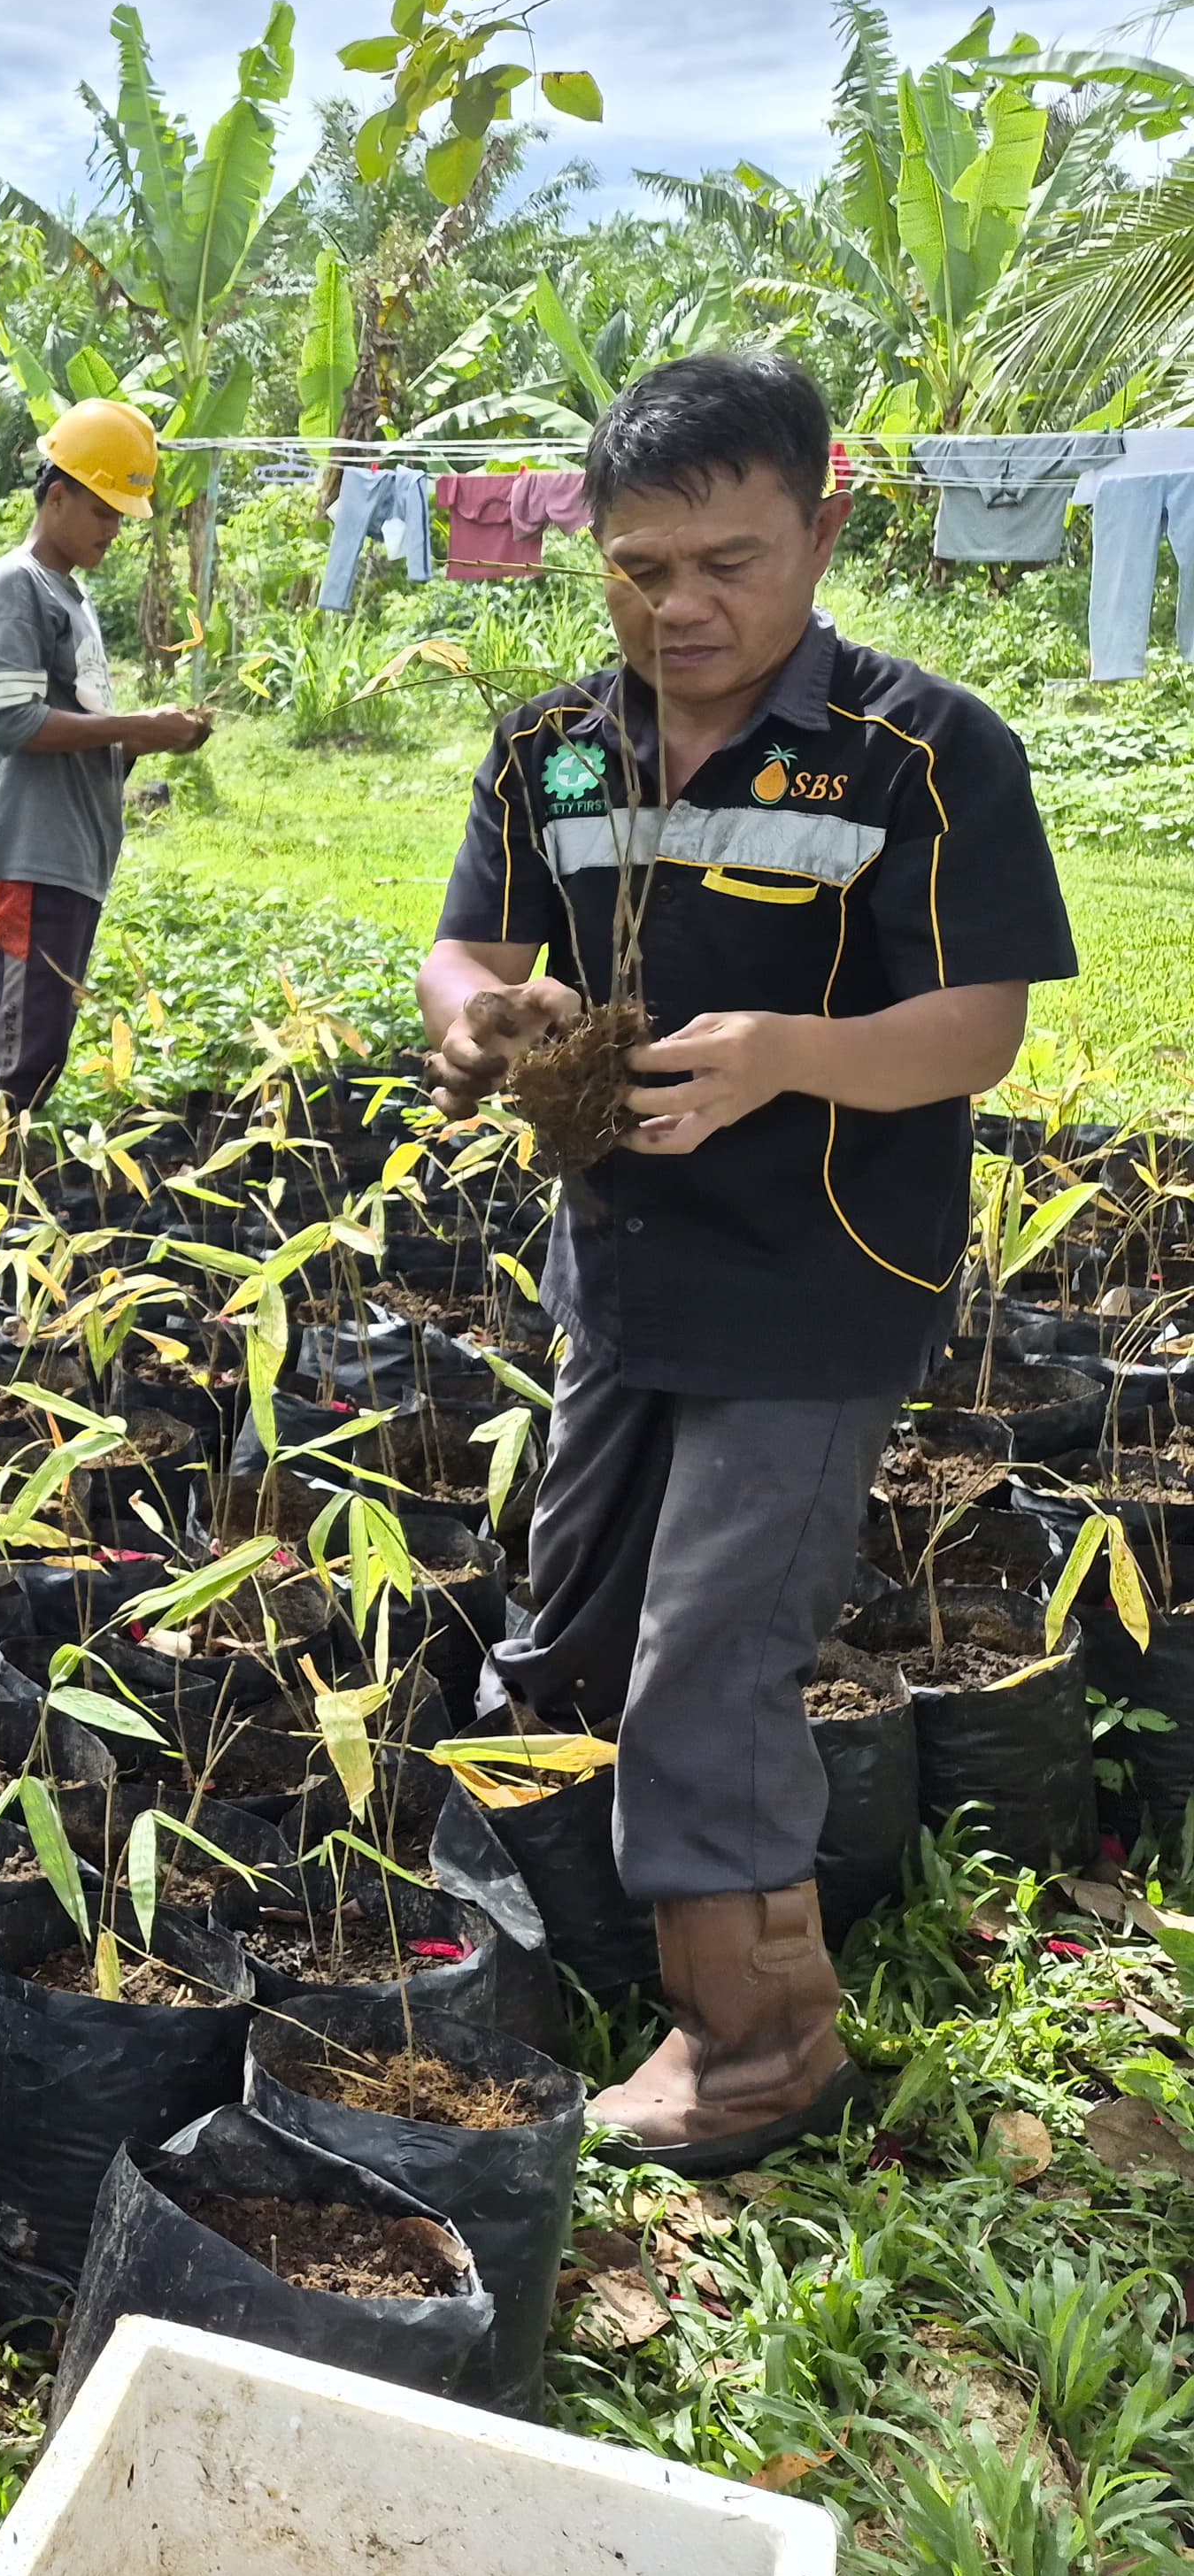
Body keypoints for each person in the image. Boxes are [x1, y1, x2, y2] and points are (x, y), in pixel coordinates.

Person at [422, 353, 1076, 2174]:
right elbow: (465, 949)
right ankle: (613, 1939)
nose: (678, 607)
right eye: (638, 569)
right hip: (619, 1270)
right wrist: (489, 1018)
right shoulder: (554, 743)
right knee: (575, 1614)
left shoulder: (918, 750)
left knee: (711, 1657)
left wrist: (782, 1052)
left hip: (812, 1283)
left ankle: (752, 2052)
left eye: (726, 561)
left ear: (824, 519)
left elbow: (969, 1030)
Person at [0, 395, 213, 1139]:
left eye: (121, 516)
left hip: (71, 856)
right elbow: (14, 723)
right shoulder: (16, 587)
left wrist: (146, 740)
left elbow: (80, 730)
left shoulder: (72, 595)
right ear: (57, 495)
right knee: (17, 1058)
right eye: (104, 512)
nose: (114, 529)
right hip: (33, 857)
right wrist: (136, 724)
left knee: (39, 1050)